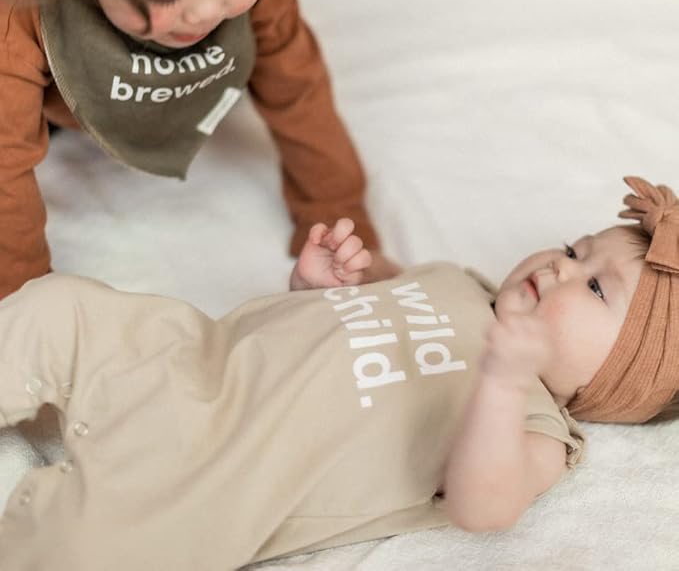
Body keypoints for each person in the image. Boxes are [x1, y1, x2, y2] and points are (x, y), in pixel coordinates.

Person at [0, 176, 677, 570]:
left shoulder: (535, 423)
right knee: (60, 307)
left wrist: (500, 383)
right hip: (192, 358)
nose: (560, 265)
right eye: (572, 249)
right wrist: (320, 286)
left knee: (89, 546)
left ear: (616, 382)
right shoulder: (457, 281)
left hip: (224, 471)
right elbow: (338, 322)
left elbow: (485, 506)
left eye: (594, 287)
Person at [0, 0, 400, 301]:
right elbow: (5, 160)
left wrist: (340, 220)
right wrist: (22, 295)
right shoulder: (18, 10)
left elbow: (299, 91)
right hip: (47, 97)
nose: (207, 12)